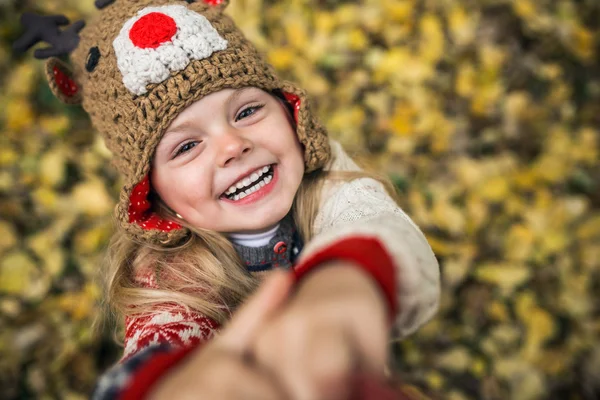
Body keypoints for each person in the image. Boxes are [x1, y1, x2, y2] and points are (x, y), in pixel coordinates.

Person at [15, 1, 440, 398]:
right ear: (154, 196)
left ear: (290, 113)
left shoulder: (329, 182)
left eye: (247, 112)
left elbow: (374, 221)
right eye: (186, 147)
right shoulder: (167, 281)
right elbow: (156, 340)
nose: (233, 146)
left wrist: (344, 280)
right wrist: (170, 385)